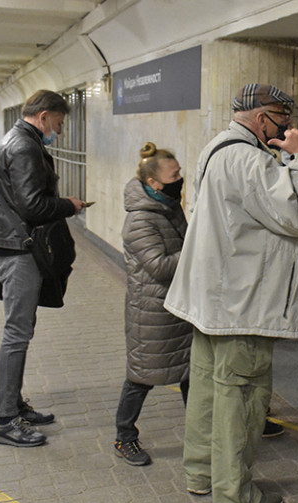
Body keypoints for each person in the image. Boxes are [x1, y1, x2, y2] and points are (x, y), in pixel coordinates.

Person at [164, 83, 298, 503]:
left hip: (214, 300)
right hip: (243, 303)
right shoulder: (248, 159)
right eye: (284, 119)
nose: (290, 128)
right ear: (262, 118)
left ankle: (201, 474)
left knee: (207, 390)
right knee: (242, 396)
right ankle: (235, 497)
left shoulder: (217, 149)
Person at [0, 89, 85, 447]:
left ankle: (14, 404)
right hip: (18, 248)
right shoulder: (24, 146)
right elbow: (32, 207)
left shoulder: (17, 140)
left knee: (20, 330)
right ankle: (5, 421)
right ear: (43, 116)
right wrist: (69, 205)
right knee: (17, 333)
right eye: (58, 122)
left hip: (15, 244)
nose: (59, 128)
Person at [114, 142, 193, 466]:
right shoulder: (140, 221)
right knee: (141, 377)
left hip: (177, 308)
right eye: (174, 175)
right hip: (152, 313)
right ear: (154, 183)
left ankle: (202, 434)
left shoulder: (168, 207)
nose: (180, 178)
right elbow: (159, 266)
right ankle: (124, 437)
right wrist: (198, 250)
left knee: (191, 374)